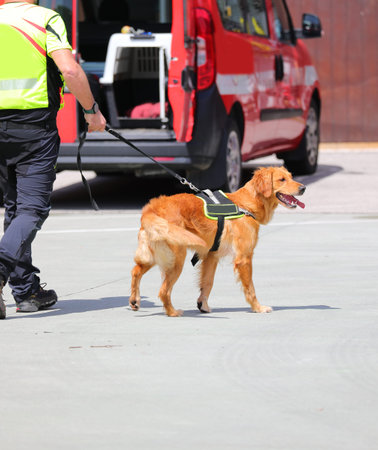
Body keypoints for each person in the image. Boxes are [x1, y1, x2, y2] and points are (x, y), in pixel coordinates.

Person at [0, 0, 106, 319]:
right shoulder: (44, 18)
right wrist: (92, 112)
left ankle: (27, 291)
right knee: (31, 208)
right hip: (33, 127)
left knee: (15, 207)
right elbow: (70, 69)